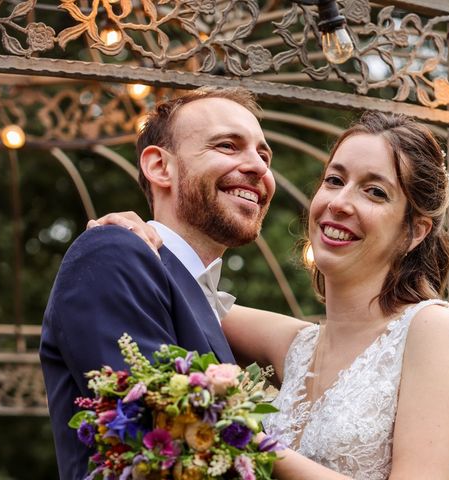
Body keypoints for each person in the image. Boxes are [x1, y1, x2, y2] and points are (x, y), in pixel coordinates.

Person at [95, 112, 449, 479]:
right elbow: (186, 295)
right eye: (334, 180)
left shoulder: (430, 329)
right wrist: (140, 240)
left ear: (415, 231)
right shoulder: (297, 345)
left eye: (374, 192)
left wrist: (249, 439)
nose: (339, 202)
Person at [39, 86, 276, 479]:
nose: (258, 167)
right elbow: (171, 450)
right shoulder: (115, 252)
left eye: (264, 155)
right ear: (160, 167)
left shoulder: (203, 300)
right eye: (228, 146)